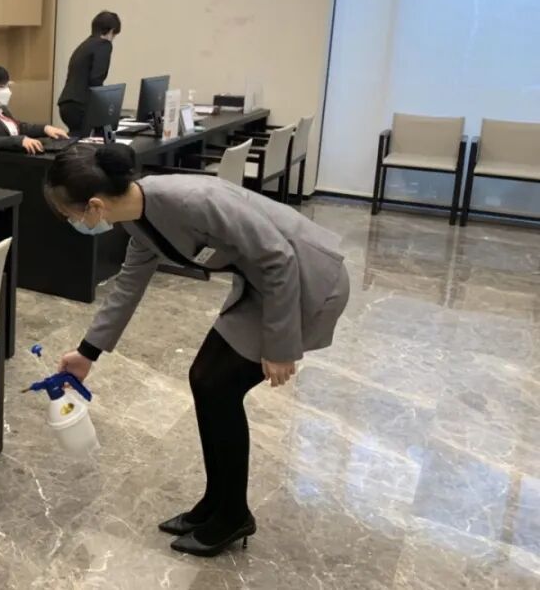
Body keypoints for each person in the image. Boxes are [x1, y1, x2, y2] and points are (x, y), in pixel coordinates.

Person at [44, 144, 350, 557]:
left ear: (95, 206)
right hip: (263, 285)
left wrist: (281, 346)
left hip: (306, 282)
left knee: (220, 387)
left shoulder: (193, 201)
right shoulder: (139, 219)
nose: (72, 222)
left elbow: (279, 258)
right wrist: (87, 353)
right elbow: (128, 285)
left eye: (71, 215)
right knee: (205, 380)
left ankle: (233, 515)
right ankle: (216, 502)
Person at [0, 65, 68, 155]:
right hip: (0, 164)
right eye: (3, 87)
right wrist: (19, 141)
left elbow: (19, 127)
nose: (8, 91)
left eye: (8, 86)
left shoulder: (2, 109)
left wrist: (45, 129)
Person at [57, 11, 121, 135]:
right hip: (81, 105)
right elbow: (96, 79)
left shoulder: (85, 45)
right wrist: (103, 108)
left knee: (76, 138)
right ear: (111, 31)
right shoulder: (104, 45)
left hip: (67, 104)